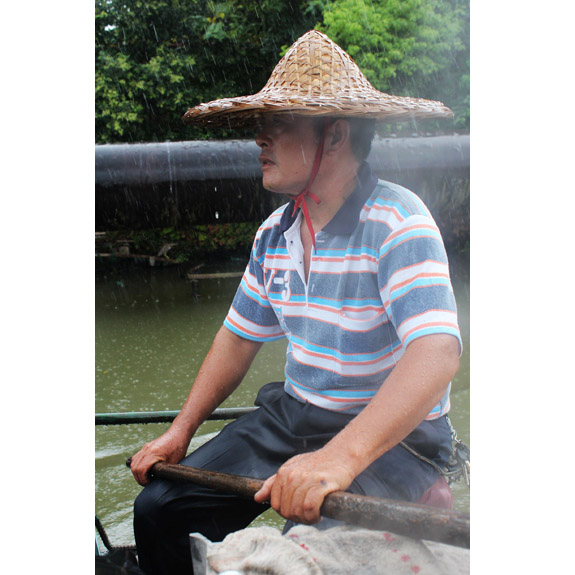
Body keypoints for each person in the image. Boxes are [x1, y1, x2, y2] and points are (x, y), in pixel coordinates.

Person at [130, 30, 462, 575]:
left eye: (279, 122)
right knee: (159, 508)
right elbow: (238, 338)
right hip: (296, 413)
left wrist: (338, 459)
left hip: (393, 438)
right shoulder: (274, 233)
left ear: (335, 135)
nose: (260, 138)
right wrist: (181, 430)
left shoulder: (398, 223)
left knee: (308, 548)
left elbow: (437, 352)